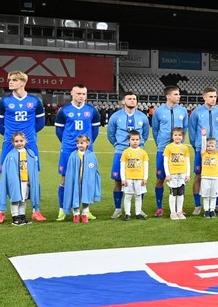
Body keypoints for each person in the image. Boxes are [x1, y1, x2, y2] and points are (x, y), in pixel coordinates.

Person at [0, 71, 46, 221]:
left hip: (30, 146)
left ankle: (36, 210)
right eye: (10, 79)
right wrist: (13, 139)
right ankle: (1, 211)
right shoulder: (3, 101)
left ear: (23, 83)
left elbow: (40, 124)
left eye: (14, 80)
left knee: (32, 178)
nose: (10, 82)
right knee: (4, 177)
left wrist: (27, 137)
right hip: (9, 147)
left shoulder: (35, 101)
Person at [54, 83, 101, 220]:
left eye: (83, 94)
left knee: (86, 178)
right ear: (72, 94)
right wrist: (68, 142)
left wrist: (87, 144)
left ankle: (86, 210)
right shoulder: (64, 110)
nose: (81, 96)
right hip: (68, 149)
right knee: (64, 178)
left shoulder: (92, 110)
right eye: (78, 93)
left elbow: (95, 131)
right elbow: (59, 131)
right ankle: (62, 209)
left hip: (86, 150)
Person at [108, 91, 150, 218]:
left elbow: (146, 134)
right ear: (123, 101)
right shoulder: (115, 116)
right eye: (129, 98)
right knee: (118, 181)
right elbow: (111, 134)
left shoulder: (142, 117)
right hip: (121, 152)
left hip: (138, 154)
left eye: (134, 99)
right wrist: (118, 145)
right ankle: (118, 209)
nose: (132, 100)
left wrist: (139, 147)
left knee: (140, 181)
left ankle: (139, 209)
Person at [151, 85, 188, 218]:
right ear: (168, 96)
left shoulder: (183, 111)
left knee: (179, 179)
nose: (179, 96)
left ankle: (179, 208)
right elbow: (155, 129)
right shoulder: (159, 111)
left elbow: (185, 128)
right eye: (176, 94)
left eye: (178, 94)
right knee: (160, 178)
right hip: (162, 149)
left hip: (178, 151)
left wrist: (180, 144)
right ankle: (159, 207)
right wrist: (160, 143)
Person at [188, 87, 218, 215]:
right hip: (201, 149)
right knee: (198, 176)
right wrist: (197, 145)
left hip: (216, 150)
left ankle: (217, 205)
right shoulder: (196, 113)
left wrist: (217, 143)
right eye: (210, 96)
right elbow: (192, 132)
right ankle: (198, 205)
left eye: (215, 97)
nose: (213, 99)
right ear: (204, 97)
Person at [0, 132, 41, 225]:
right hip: (16, 181)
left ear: (25, 141)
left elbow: (32, 168)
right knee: (16, 199)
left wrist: (30, 179)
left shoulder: (30, 153)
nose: (19, 143)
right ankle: (15, 217)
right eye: (16, 141)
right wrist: (14, 181)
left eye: (21, 141)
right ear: (13, 143)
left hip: (26, 181)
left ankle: (22, 216)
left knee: (23, 199)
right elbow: (9, 171)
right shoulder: (11, 155)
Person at [61, 134, 101, 223]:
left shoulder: (91, 156)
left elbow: (94, 169)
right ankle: (76, 214)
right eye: (78, 143)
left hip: (87, 182)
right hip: (76, 181)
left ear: (87, 143)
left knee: (86, 196)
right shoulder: (73, 155)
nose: (80, 145)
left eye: (82, 143)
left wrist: (92, 180)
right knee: (75, 196)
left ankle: (85, 214)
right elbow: (70, 170)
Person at [120, 129, 150, 220]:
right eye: (133, 140)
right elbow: (122, 166)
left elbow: (146, 166)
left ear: (140, 140)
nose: (135, 142)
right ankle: (127, 214)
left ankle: (138, 213)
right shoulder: (125, 152)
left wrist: (145, 178)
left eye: (137, 140)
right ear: (129, 140)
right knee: (128, 196)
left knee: (138, 196)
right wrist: (123, 179)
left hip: (139, 178)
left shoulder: (143, 153)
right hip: (128, 178)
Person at [199, 130, 218, 218]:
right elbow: (203, 145)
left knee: (213, 195)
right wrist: (203, 136)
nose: (210, 147)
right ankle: (206, 210)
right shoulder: (204, 154)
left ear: (215, 146)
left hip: (215, 178)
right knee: (206, 194)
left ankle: (212, 210)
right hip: (205, 177)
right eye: (208, 146)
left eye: (212, 146)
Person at [164, 127, 191, 219]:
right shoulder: (168, 147)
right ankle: (173, 212)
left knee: (180, 193)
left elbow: (187, 161)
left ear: (182, 136)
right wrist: (167, 173)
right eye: (175, 135)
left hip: (182, 174)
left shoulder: (185, 148)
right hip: (172, 174)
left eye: (179, 135)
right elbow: (165, 161)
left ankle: (179, 211)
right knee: (173, 193)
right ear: (172, 136)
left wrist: (188, 174)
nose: (177, 137)